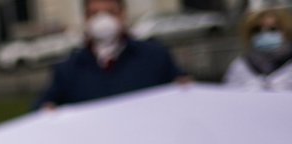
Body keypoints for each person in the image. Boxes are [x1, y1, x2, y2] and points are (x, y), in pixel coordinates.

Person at [35, 0, 186, 109]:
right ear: (86, 19)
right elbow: (43, 109)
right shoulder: (68, 69)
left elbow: (183, 94)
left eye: (110, 12)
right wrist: (46, 109)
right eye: (95, 14)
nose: (102, 20)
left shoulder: (155, 57)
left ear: (123, 15)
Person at [223, 9, 292, 91]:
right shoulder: (240, 66)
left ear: (287, 32)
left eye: (272, 29)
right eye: (257, 29)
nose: (264, 33)